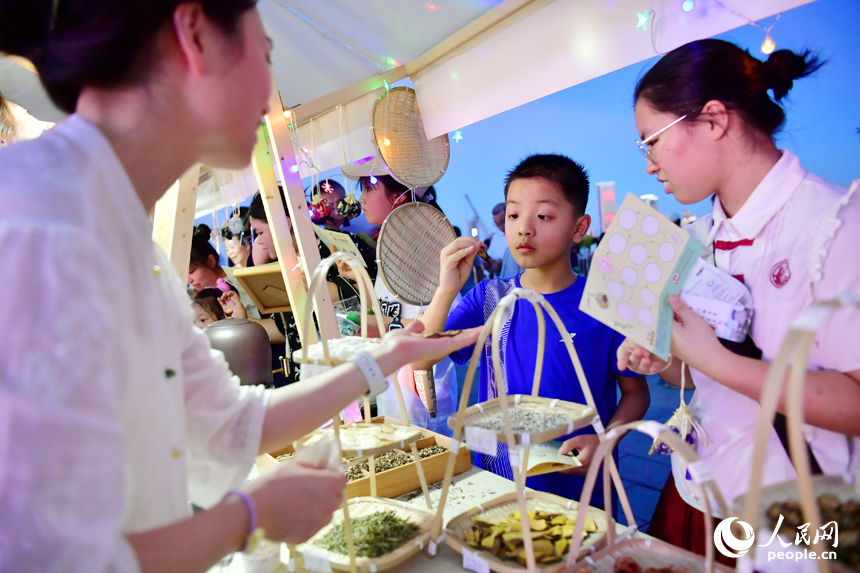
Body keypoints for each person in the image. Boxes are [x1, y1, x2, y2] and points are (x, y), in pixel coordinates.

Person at [0, 3, 480, 571]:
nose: (272, 85)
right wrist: (250, 516)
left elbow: (227, 425)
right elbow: (42, 553)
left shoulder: (131, 241)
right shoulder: (34, 220)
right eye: (267, 53)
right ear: (195, 31)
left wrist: (385, 358)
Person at [616, 39, 860, 563]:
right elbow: (694, 376)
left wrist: (714, 359)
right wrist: (668, 357)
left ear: (713, 120)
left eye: (650, 142)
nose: (649, 165)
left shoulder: (835, 224)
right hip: (701, 492)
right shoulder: (695, 238)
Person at [414, 154, 650, 506]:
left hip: (578, 477)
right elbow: (421, 359)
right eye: (513, 215)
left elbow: (636, 393)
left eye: (543, 216)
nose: (524, 228)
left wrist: (606, 439)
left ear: (579, 227)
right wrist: (446, 289)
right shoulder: (489, 297)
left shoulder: (605, 303)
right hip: (499, 477)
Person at [338, 161, 459, 435]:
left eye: (369, 187)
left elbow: (447, 325)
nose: (361, 198)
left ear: (400, 194)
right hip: (393, 390)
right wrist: (360, 277)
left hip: (421, 401)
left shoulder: (426, 245)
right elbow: (389, 305)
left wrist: (384, 326)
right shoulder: (391, 240)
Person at [189, 224, 260, 318]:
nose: (189, 280)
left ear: (210, 261)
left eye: (192, 272)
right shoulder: (197, 295)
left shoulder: (242, 278)